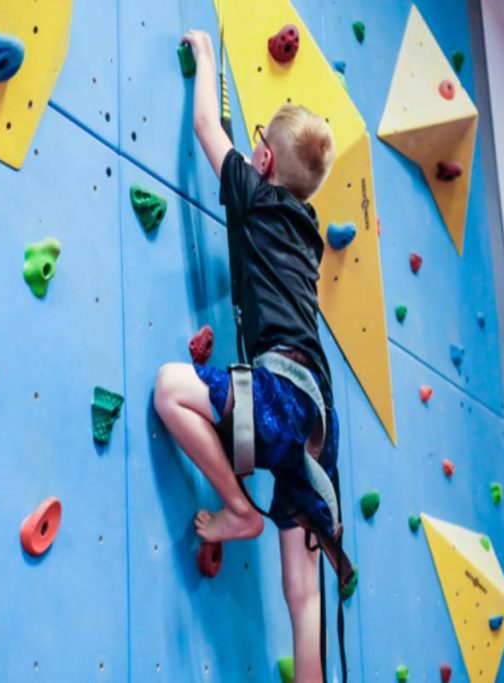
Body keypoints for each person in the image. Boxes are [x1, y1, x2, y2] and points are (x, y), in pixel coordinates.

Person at [153, 29, 338, 683]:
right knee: (303, 583)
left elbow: (206, 122)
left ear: (260, 158)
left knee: (170, 387)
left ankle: (236, 505)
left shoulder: (256, 196)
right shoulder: (308, 232)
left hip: (281, 394)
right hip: (319, 411)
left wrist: (206, 57)